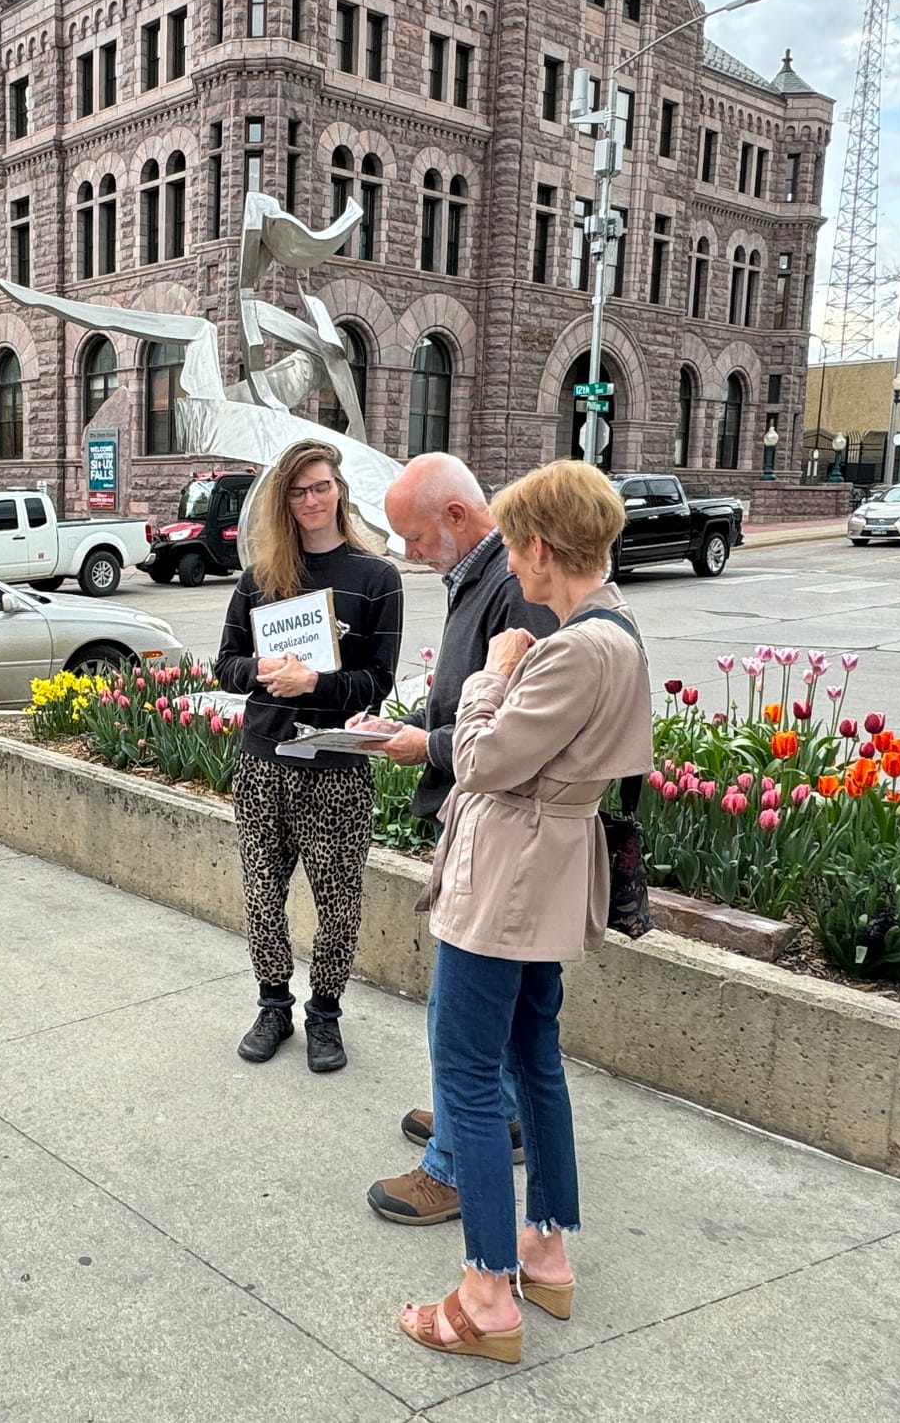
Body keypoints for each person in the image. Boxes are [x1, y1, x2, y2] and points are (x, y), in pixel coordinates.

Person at [397, 459, 651, 1364]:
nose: (511, 559)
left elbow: (483, 761)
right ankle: (544, 1247)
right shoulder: (618, 629)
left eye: (513, 542)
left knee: (464, 1070)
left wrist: (490, 675)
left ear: (538, 545)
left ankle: (485, 1294)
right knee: (533, 1057)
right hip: (549, 874)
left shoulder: (576, 646)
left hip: (505, 876)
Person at [347, 452, 560, 1227]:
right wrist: (403, 729)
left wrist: (422, 747)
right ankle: (493, 1122)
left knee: (460, 1018)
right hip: (495, 821)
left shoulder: (512, 588)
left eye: (412, 536)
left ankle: (454, 1167)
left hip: (499, 830)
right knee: (506, 1015)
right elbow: (475, 708)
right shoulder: (482, 578)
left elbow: (511, 739)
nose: (405, 553)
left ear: (459, 518)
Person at [216, 438, 403, 1073]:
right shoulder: (261, 579)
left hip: (336, 767)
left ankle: (325, 1014)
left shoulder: (377, 578)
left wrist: (316, 685)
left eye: (320, 486)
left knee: (339, 901)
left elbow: (379, 681)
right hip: (264, 760)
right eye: (298, 491)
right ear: (283, 502)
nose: (311, 500)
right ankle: (273, 1005)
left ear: (340, 490)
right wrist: (262, 671)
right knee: (262, 894)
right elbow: (226, 664)